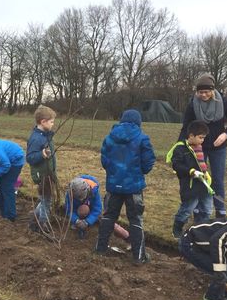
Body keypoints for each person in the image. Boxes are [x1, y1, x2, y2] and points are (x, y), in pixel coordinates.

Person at [97, 109, 156, 264]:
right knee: (136, 220)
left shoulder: (109, 138)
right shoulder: (143, 138)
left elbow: (104, 160)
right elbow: (148, 162)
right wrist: (139, 172)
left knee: (109, 216)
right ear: (138, 122)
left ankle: (100, 248)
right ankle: (139, 257)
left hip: (113, 185)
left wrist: (113, 172)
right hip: (134, 187)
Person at [178, 73, 227, 220]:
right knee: (200, 178)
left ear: (212, 90)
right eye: (200, 92)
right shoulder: (193, 104)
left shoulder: (223, 102)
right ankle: (199, 211)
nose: (203, 95)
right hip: (198, 148)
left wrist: (225, 134)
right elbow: (185, 126)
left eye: (206, 92)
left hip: (219, 147)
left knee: (217, 179)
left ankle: (220, 211)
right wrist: (180, 145)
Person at [167, 120, 214, 238]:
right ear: (191, 136)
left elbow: (202, 163)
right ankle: (176, 229)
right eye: (200, 137)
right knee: (187, 209)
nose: (202, 140)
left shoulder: (199, 148)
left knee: (206, 210)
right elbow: (177, 165)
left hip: (204, 185)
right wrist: (191, 171)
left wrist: (206, 174)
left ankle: (200, 231)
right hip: (190, 186)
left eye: (204, 138)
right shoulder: (180, 149)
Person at [66, 175, 131, 244]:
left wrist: (87, 221)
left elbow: (97, 209)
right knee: (83, 210)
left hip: (90, 211)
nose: (81, 200)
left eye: (82, 198)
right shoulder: (71, 192)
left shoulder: (93, 191)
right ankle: (80, 228)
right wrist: (76, 220)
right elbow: (69, 209)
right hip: (79, 211)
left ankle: (128, 237)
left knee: (107, 220)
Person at [26, 105, 57, 233]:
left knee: (45, 199)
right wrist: (42, 154)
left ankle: (34, 218)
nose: (53, 124)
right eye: (51, 122)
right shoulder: (36, 138)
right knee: (47, 200)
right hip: (42, 175)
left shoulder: (46, 136)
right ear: (43, 122)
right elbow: (30, 158)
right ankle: (43, 225)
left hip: (48, 173)